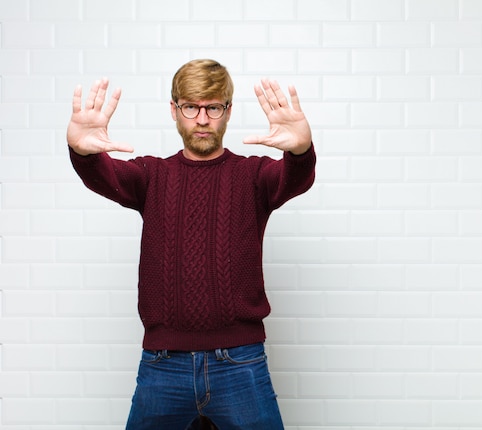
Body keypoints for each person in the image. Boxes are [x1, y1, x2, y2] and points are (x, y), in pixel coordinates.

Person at [66, 59, 316, 430]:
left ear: (228, 111)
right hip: (163, 364)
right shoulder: (152, 176)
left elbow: (293, 179)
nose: (202, 119)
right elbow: (106, 177)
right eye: (191, 107)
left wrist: (300, 151)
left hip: (240, 362)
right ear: (174, 110)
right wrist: (84, 153)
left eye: (213, 107)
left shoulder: (254, 175)